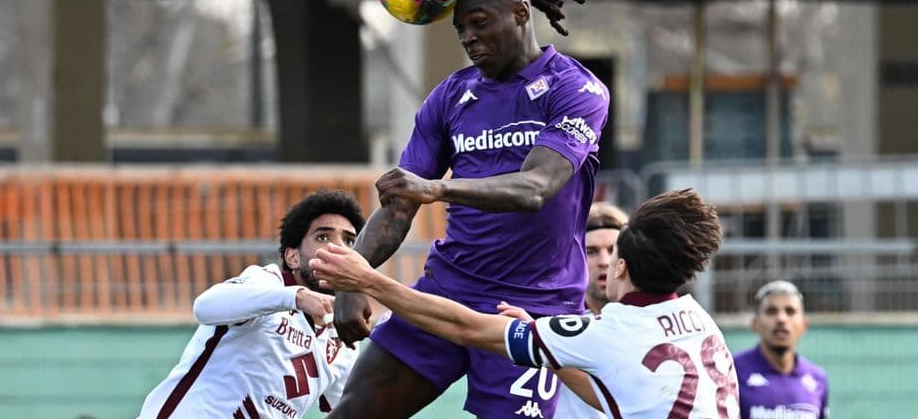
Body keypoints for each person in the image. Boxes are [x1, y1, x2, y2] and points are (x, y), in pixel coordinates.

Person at [330, 0, 609, 419]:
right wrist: (353, 276)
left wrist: (436, 188)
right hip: (447, 292)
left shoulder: (575, 89)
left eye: (479, 23)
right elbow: (400, 205)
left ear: (521, 13)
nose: (468, 38)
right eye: (460, 29)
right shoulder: (449, 96)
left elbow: (535, 188)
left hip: (531, 310)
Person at [315, 189, 740, 418]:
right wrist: (545, 347)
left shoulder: (607, 333)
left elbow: (467, 327)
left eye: (610, 255)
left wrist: (368, 279)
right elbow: (614, 394)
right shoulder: (699, 321)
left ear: (621, 267)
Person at [136, 190, 366, 419]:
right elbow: (204, 307)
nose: (339, 248)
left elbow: (347, 408)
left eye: (349, 241)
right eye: (323, 237)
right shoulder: (267, 282)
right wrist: (298, 297)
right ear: (292, 257)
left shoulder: (344, 333)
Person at [554, 201, 627, 418]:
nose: (604, 261)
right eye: (591, 251)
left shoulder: (652, 323)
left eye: (613, 250)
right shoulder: (553, 326)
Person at [734, 280, 829, 419]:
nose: (781, 319)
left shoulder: (817, 378)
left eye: (790, 311)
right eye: (771, 311)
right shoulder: (733, 371)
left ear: (804, 325)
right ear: (755, 324)